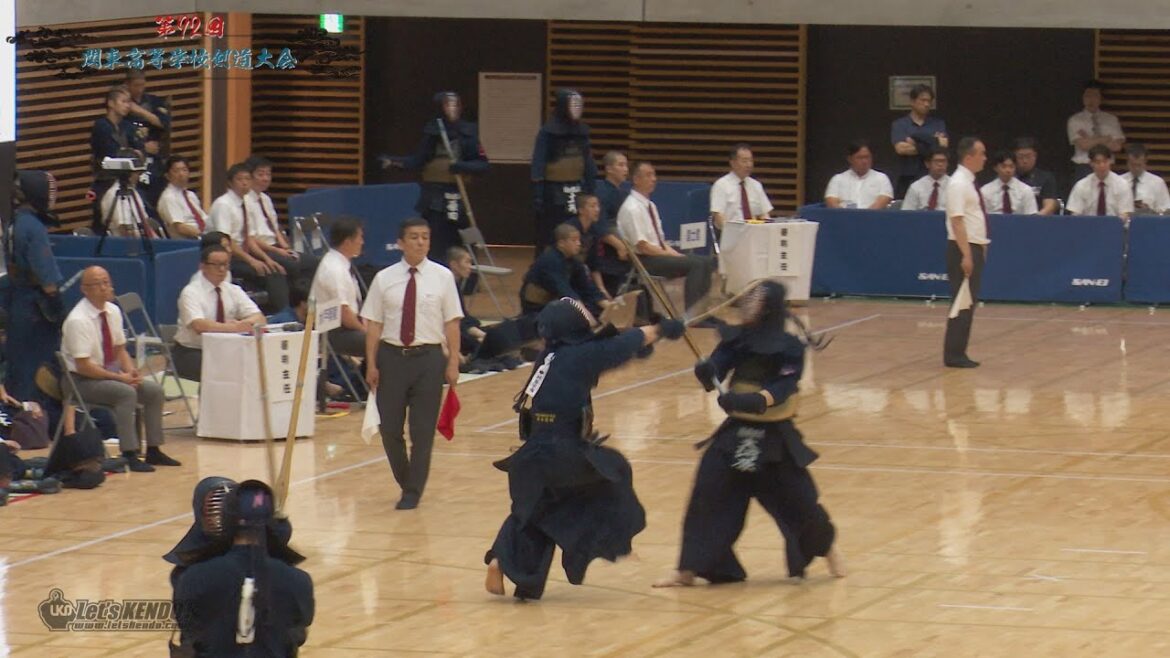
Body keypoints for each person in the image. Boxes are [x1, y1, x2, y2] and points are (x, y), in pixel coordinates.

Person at [484, 299, 685, 600]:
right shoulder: (580, 356)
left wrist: (637, 345)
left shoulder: (549, 356)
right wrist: (660, 329)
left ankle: (504, 562)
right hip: (561, 452)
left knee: (537, 511)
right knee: (612, 474)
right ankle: (613, 541)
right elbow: (618, 346)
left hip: (533, 453)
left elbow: (607, 351)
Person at [653, 281, 843, 587]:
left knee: (800, 502)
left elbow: (785, 386)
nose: (747, 305)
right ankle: (688, 568)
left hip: (774, 436)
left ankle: (827, 548)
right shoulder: (737, 338)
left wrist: (757, 400)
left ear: (768, 308)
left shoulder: (790, 347)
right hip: (735, 434)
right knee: (709, 493)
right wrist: (708, 371)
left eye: (754, 301)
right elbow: (720, 365)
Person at [362, 218, 462, 511]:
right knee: (390, 428)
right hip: (392, 358)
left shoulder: (443, 277)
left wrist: (453, 361)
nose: (420, 242)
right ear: (401, 243)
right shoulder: (384, 278)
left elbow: (452, 323)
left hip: (429, 359)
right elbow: (374, 325)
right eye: (414, 237)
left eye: (425, 237)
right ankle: (407, 480)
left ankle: (413, 492)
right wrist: (371, 364)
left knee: (422, 430)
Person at [173, 479, 314, 658]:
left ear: (226, 519)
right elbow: (298, 632)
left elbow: (189, 631)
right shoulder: (299, 581)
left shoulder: (193, 577)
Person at [61, 266, 177, 471]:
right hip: (80, 381)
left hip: (107, 375)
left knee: (154, 392)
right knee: (124, 393)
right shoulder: (78, 320)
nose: (106, 287)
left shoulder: (113, 311)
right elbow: (84, 366)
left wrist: (131, 371)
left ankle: (153, 449)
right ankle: (129, 453)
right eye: (99, 284)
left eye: (107, 282)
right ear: (85, 289)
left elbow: (120, 349)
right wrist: (120, 378)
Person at [383, 91, 489, 262]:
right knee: (436, 236)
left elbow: (483, 165)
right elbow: (418, 160)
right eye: (448, 105)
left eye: (456, 105)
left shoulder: (469, 132)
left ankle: (467, 279)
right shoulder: (432, 132)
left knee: (463, 238)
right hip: (435, 195)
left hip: (459, 194)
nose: (452, 109)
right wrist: (394, 162)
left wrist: (461, 166)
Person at [616, 161, 716, 311]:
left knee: (707, 262)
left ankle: (703, 311)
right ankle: (692, 314)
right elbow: (643, 246)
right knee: (696, 264)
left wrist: (674, 254)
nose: (654, 179)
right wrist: (670, 256)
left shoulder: (651, 206)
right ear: (636, 179)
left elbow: (660, 241)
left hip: (658, 255)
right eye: (649, 175)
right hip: (645, 260)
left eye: (654, 175)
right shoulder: (632, 208)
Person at [2, 171, 64, 401]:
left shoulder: (13, 221)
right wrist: (57, 307)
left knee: (16, 364)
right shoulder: (33, 228)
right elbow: (46, 278)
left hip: (16, 302)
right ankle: (33, 424)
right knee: (35, 368)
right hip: (35, 308)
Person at [173, 245, 267, 382]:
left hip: (226, 348)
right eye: (216, 265)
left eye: (225, 264)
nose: (222, 269)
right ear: (203, 266)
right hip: (193, 351)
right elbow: (199, 325)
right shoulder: (191, 292)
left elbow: (260, 318)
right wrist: (233, 328)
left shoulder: (233, 290)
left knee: (255, 364)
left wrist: (245, 323)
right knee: (226, 370)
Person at [208, 163, 289, 312]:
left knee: (275, 266)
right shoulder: (224, 205)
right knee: (272, 274)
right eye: (240, 179)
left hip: (244, 252)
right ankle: (283, 315)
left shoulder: (245, 204)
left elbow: (249, 239)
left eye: (247, 179)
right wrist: (252, 261)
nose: (245, 183)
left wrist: (267, 259)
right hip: (227, 257)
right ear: (230, 183)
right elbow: (225, 242)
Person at [943, 137, 989, 369]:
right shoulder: (958, 183)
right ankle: (954, 354)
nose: (985, 158)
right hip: (962, 248)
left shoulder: (968, 182)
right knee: (962, 301)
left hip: (973, 246)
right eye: (981, 153)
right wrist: (967, 254)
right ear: (969, 156)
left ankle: (959, 350)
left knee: (968, 302)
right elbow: (957, 221)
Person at [532, 89, 596, 252]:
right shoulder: (548, 132)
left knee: (577, 232)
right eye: (572, 105)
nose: (576, 109)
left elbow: (588, 161)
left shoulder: (582, 132)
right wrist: (538, 193)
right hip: (553, 191)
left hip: (577, 188)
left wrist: (591, 188)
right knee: (552, 232)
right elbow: (538, 163)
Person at [447, 246, 527, 370]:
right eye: (466, 262)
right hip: (450, 331)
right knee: (483, 342)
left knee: (499, 330)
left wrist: (476, 330)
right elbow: (453, 318)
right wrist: (476, 332)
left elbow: (463, 315)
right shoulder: (446, 286)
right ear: (454, 265)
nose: (470, 266)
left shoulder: (455, 285)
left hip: (463, 327)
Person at [245, 155, 315, 281]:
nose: (266, 179)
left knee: (313, 262)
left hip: (276, 246)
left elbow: (275, 228)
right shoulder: (244, 201)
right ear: (249, 176)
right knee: (292, 265)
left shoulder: (266, 199)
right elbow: (252, 239)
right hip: (262, 249)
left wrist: (286, 248)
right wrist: (278, 251)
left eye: (268, 174)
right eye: (261, 174)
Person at [520, 223, 608, 317]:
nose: (579, 243)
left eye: (579, 239)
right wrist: (586, 316)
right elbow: (564, 290)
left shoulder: (573, 260)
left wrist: (608, 305)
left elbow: (587, 286)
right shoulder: (550, 260)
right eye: (574, 240)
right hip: (536, 306)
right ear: (561, 243)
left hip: (556, 300)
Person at [89, 86, 144, 233]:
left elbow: (140, 151)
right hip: (105, 181)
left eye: (129, 102)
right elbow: (111, 153)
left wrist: (132, 153)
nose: (127, 106)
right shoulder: (101, 126)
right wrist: (130, 153)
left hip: (126, 179)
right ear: (111, 103)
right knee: (104, 223)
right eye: (124, 101)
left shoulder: (128, 126)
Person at [309, 217, 366, 358]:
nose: (362, 242)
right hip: (336, 332)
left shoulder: (340, 263)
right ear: (347, 242)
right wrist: (365, 330)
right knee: (384, 345)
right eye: (360, 238)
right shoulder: (334, 268)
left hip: (347, 327)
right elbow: (343, 313)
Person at [891, 84, 949, 198]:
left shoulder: (938, 124)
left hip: (933, 178)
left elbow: (943, 145)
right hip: (907, 177)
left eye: (929, 101)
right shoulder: (900, 124)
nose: (927, 104)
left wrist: (914, 142)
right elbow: (901, 149)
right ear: (912, 101)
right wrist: (932, 142)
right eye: (923, 100)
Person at [124, 69, 170, 204]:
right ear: (127, 85)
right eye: (136, 85)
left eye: (142, 85)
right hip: (134, 157)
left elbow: (164, 123)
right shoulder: (123, 105)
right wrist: (143, 147)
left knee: (157, 195)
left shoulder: (153, 101)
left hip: (154, 160)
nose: (139, 89)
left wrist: (141, 111)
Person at [592, 151, 632, 297]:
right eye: (621, 165)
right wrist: (620, 246)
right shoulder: (601, 192)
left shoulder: (624, 194)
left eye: (626, 165)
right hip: (607, 254)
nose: (625, 169)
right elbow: (599, 226)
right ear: (609, 169)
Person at [1068, 79, 1125, 183]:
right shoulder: (1075, 120)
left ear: (1100, 98)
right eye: (1087, 96)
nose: (1091, 100)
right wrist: (1105, 139)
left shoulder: (1111, 119)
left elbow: (1116, 146)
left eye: (1094, 96)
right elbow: (1083, 145)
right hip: (1083, 167)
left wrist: (1090, 140)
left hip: (1106, 166)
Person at [710, 143, 773, 230]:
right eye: (744, 161)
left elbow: (764, 214)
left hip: (753, 233)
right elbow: (718, 216)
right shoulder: (721, 185)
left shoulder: (756, 185)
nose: (749, 165)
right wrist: (730, 233)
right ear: (733, 163)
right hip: (731, 234)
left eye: (751, 161)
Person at [1067, 144, 1134, 220]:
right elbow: (1075, 214)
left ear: (1110, 161)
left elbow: (1125, 214)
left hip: (1114, 228)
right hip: (1087, 228)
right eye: (1098, 162)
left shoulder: (1122, 184)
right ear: (1091, 163)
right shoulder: (1081, 185)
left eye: (1105, 161)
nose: (1102, 165)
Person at [99, 165, 164, 238]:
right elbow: (125, 230)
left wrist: (156, 240)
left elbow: (145, 222)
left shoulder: (132, 191)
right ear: (127, 174)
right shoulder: (113, 194)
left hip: (142, 240)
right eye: (137, 174)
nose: (139, 177)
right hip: (125, 244)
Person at [823, 141, 893, 209]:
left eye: (867, 157)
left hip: (873, 218)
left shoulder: (882, 178)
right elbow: (831, 201)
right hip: (844, 218)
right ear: (850, 159)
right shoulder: (837, 179)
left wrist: (862, 217)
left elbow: (883, 201)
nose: (864, 161)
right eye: (860, 158)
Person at [157, 155, 208, 238]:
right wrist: (205, 236)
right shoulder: (169, 197)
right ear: (167, 175)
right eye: (176, 171)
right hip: (188, 243)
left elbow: (204, 219)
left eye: (184, 170)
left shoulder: (191, 195)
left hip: (203, 238)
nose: (181, 174)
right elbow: (180, 228)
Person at [980, 151, 1038, 215]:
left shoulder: (1026, 190)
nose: (1008, 170)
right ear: (995, 168)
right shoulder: (985, 190)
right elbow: (982, 215)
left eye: (1011, 166)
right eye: (1003, 166)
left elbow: (1031, 215)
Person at [1012, 137, 1060, 216]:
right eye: (1020, 157)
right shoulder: (1008, 177)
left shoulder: (1046, 178)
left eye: (1028, 156)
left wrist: (1035, 218)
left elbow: (1050, 205)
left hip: (1038, 220)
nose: (1025, 161)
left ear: (1035, 156)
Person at [1121, 143, 1170, 214]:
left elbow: (1166, 211)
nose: (1136, 168)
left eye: (1139, 165)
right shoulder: (1119, 181)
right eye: (1133, 164)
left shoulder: (1157, 182)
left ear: (1145, 162)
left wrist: (1150, 211)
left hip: (1149, 222)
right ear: (1127, 162)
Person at [901, 147, 950, 211]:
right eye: (936, 161)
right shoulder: (916, 187)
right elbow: (906, 213)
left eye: (943, 161)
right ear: (927, 164)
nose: (940, 164)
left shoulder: (955, 185)